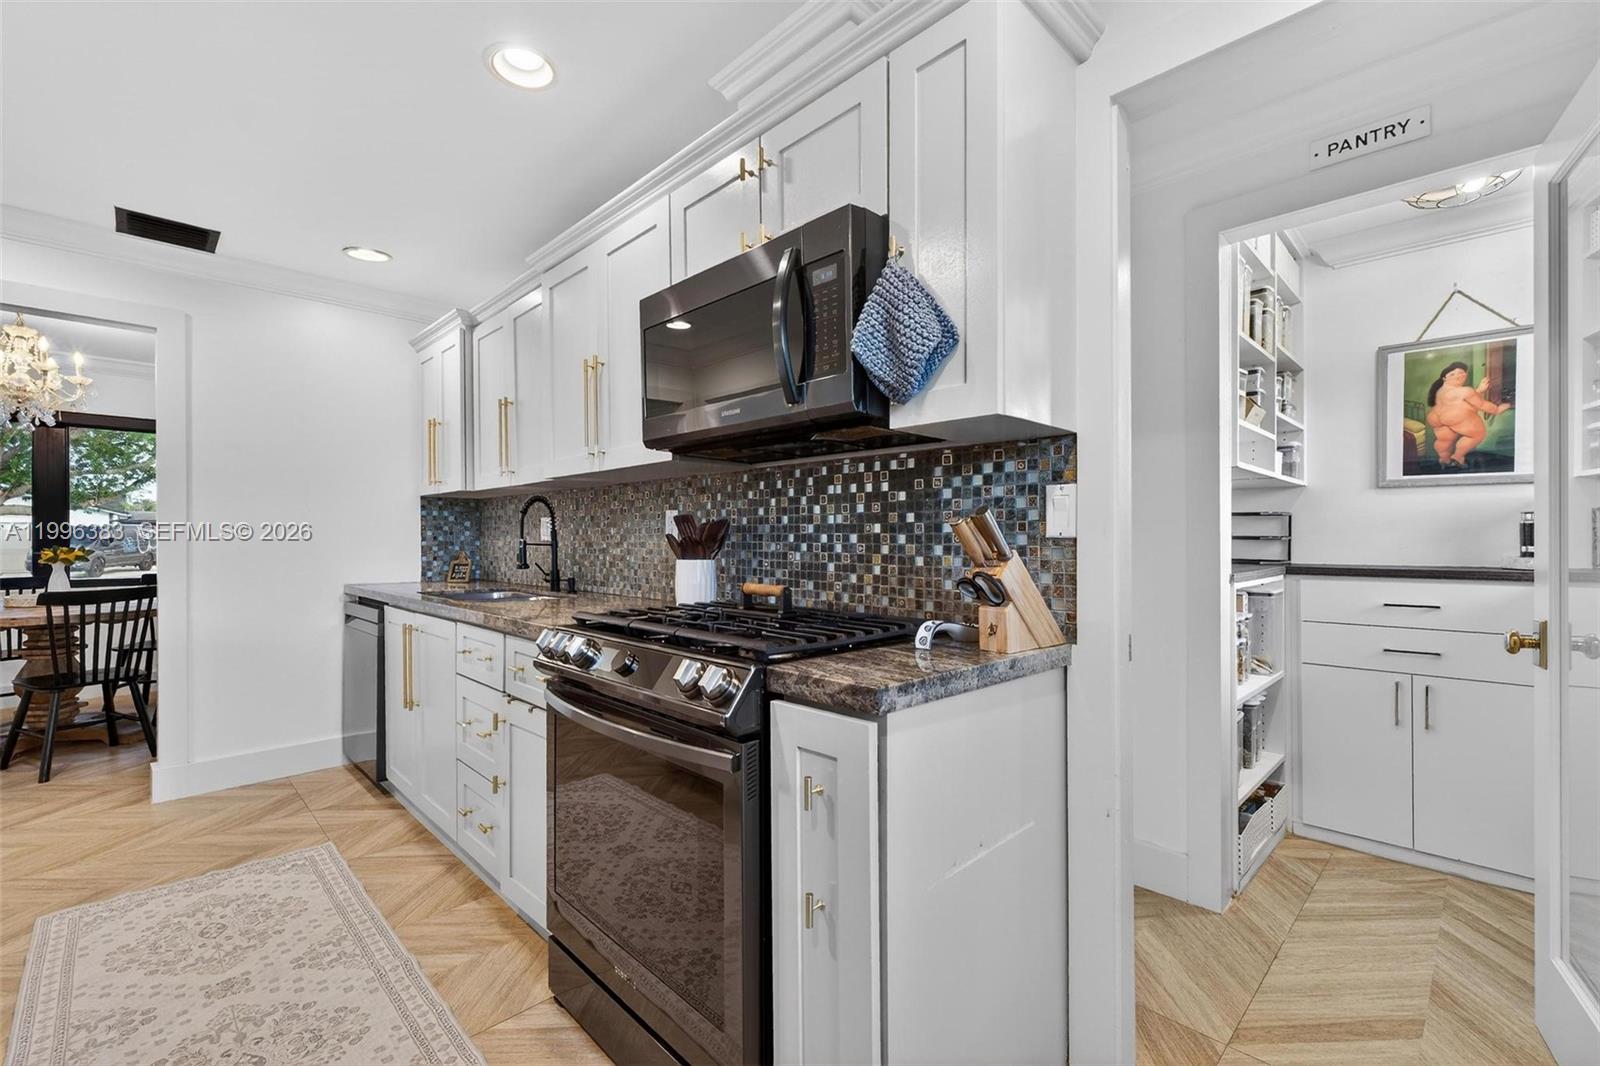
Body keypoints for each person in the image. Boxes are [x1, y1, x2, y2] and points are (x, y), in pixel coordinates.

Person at [1425, 360, 1511, 469]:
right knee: (1476, 434)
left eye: (1461, 372)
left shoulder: (1440, 390)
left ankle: (1444, 458)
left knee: (1444, 439)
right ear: (1444, 378)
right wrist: (1496, 409)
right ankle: (1457, 457)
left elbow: (1461, 401)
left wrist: (1479, 391)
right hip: (1453, 416)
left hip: (1435, 417)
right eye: (1453, 374)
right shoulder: (1465, 391)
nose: (1458, 375)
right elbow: (1481, 404)